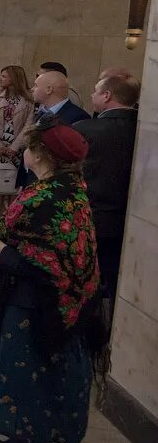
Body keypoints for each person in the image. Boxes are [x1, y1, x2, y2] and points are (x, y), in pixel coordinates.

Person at [0, 116, 108, 443]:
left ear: (41, 155)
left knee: (27, 373)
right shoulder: (69, 188)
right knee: (17, 367)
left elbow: (40, 262)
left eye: (30, 148)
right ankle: (20, 438)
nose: (25, 153)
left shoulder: (49, 197)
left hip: (37, 305)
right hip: (36, 299)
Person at [73, 71, 141, 304]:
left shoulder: (86, 129)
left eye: (96, 90)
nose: (92, 95)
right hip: (130, 223)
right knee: (115, 282)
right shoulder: (143, 131)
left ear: (107, 95)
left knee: (82, 280)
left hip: (91, 216)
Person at [0, 65, 33, 228]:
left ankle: (6, 217)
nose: (1, 79)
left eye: (4, 76)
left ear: (14, 78)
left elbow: (28, 124)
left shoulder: (28, 98)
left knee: (11, 181)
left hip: (16, 144)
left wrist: (15, 146)